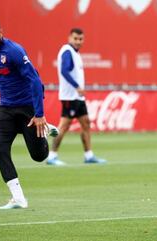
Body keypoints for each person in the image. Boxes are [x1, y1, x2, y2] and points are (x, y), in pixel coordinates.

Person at [0, 14, 59, 210]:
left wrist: (39, 114)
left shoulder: (14, 51)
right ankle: (18, 198)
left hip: (28, 108)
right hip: (7, 109)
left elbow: (35, 81)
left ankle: (44, 128)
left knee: (39, 156)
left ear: (1, 32)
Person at [46, 28, 106, 166]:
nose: (78, 41)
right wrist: (77, 87)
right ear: (69, 38)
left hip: (77, 98)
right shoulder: (67, 51)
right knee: (64, 126)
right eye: (75, 38)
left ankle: (89, 155)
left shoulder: (75, 53)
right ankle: (51, 156)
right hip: (70, 97)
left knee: (85, 123)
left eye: (81, 39)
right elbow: (64, 71)